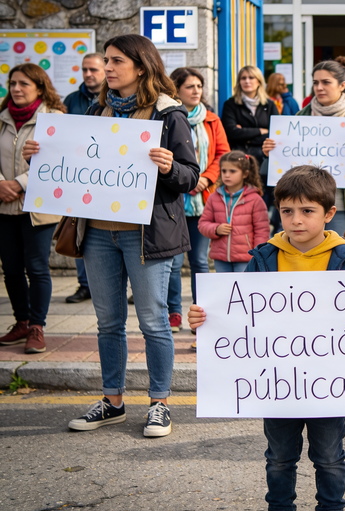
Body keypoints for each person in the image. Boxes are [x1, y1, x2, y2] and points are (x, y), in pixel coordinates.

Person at [187, 165, 345, 511]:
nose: (296, 219)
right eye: (287, 211)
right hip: (277, 384)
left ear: (328, 214)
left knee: (330, 456)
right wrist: (205, 320)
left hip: (327, 385)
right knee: (279, 456)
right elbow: (239, 317)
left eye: (306, 211)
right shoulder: (265, 258)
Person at [23, 34, 201, 437]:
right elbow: (73, 165)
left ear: (141, 66)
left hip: (147, 237)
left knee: (154, 322)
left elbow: (190, 178)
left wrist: (169, 167)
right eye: (106, 60)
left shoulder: (168, 115)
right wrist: (39, 157)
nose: (108, 67)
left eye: (117, 60)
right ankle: (113, 401)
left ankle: (159, 404)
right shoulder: (95, 110)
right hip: (99, 235)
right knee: (108, 322)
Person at [263, 60, 345, 236]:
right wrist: (271, 152)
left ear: (342, 85)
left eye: (326, 82)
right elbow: (288, 162)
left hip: (342, 206)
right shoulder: (301, 117)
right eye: (315, 82)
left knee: (338, 258)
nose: (319, 87)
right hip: (304, 204)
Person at [0, 65, 65, 354]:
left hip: (38, 206)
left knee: (37, 267)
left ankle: (37, 326)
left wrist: (19, 183)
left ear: (40, 87)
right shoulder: (1, 118)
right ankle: (21, 322)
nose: (16, 88)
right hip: (3, 204)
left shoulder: (55, 118)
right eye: (12, 83)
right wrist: (2, 184)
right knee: (11, 268)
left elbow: (59, 159)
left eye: (23, 83)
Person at [164, 67, 230, 333]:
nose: (196, 91)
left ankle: (200, 314)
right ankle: (174, 312)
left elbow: (222, 154)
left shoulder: (212, 119)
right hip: (173, 200)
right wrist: (181, 179)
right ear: (176, 90)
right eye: (190, 87)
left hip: (203, 199)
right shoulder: (166, 117)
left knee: (200, 262)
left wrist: (205, 179)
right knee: (174, 263)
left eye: (199, 87)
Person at [62, 52, 106, 304]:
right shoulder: (71, 100)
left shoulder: (113, 100)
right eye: (85, 70)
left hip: (110, 177)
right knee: (78, 229)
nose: (88, 74)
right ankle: (84, 285)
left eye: (94, 70)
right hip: (79, 176)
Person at [198, 151, 270, 273]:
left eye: (232, 171)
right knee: (224, 290)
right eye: (224, 171)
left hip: (246, 258)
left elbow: (262, 230)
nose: (227, 175)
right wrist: (216, 229)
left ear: (245, 174)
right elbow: (203, 224)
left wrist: (258, 255)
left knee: (243, 290)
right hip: (220, 257)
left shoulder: (255, 199)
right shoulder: (213, 197)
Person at [221, 65, 276, 165]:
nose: (247, 81)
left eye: (251, 77)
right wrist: (260, 130)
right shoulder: (230, 104)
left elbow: (275, 134)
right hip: (239, 159)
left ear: (258, 81)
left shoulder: (269, 105)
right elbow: (231, 132)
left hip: (265, 159)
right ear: (239, 82)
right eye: (243, 78)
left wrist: (245, 136)